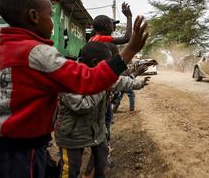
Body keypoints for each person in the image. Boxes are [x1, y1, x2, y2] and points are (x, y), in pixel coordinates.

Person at [0, 0, 148, 178]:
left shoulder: (6, 49)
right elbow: (89, 80)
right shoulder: (37, 53)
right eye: (49, 15)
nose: (52, 23)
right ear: (34, 16)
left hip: (0, 147)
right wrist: (130, 50)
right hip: (21, 151)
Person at [55, 42, 150, 178]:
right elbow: (81, 106)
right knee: (70, 170)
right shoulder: (69, 77)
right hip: (72, 136)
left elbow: (120, 81)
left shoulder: (102, 74)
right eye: (108, 63)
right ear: (95, 62)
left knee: (102, 163)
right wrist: (102, 86)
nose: (110, 67)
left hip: (97, 132)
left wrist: (139, 84)